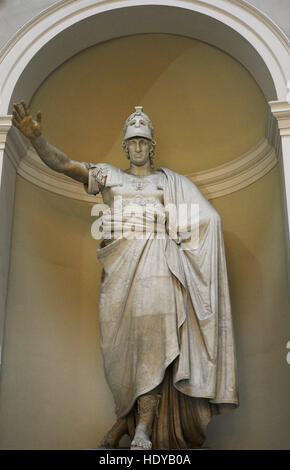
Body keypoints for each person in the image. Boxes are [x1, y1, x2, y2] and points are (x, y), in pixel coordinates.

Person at [12, 102, 239, 450]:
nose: (137, 147)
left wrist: (187, 253)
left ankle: (143, 430)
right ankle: (123, 423)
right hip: (119, 270)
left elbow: (209, 220)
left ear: (151, 146)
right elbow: (65, 165)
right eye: (131, 141)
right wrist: (38, 140)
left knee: (156, 343)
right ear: (125, 146)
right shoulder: (107, 175)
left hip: (160, 265)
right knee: (121, 354)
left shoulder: (170, 183)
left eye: (142, 141)